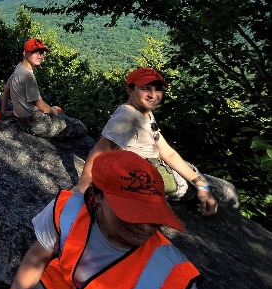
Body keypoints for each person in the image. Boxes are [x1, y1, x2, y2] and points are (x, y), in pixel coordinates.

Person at [0, 150, 201, 289]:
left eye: (154, 214)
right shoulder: (67, 211)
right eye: (133, 214)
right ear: (96, 194)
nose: (147, 226)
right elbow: (38, 256)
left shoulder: (174, 280)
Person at [74, 68, 238, 214]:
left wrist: (200, 183)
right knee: (228, 192)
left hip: (160, 169)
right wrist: (81, 188)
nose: (153, 95)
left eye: (158, 89)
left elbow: (167, 152)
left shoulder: (143, 112)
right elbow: (100, 149)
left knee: (209, 183)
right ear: (130, 90)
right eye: (145, 89)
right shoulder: (127, 117)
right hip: (159, 178)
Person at [1, 39, 86, 138]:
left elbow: (7, 88)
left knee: (55, 109)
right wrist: (55, 112)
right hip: (37, 124)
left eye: (41, 53)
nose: (39, 56)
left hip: (22, 121)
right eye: (35, 52)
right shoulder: (27, 76)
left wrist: (3, 111)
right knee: (80, 127)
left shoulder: (19, 68)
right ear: (25, 53)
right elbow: (40, 105)